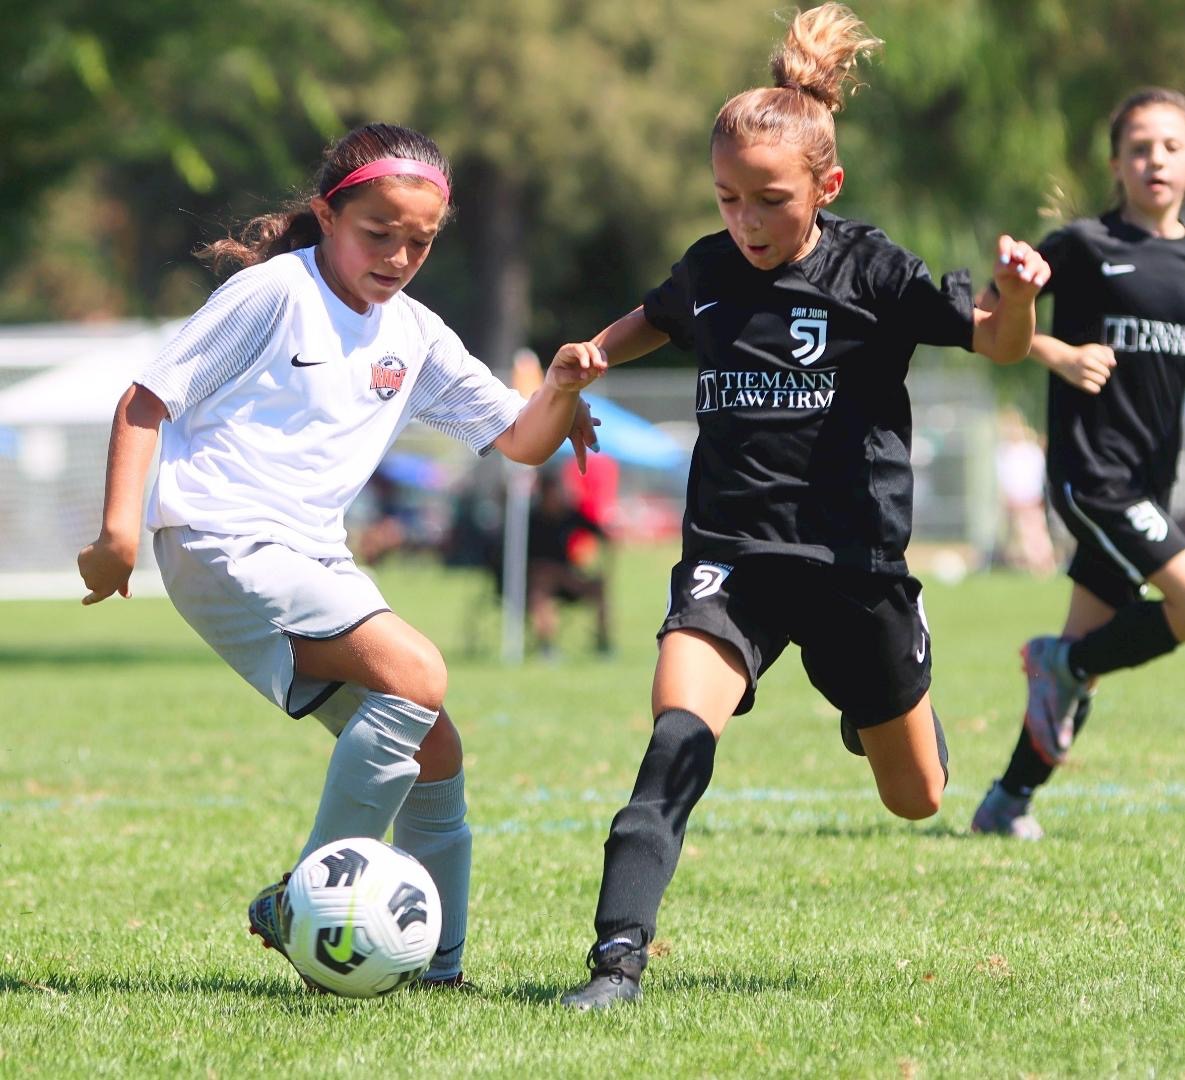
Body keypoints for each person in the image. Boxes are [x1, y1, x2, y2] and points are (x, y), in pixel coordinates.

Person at [556, 3, 1049, 1010]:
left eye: (768, 201)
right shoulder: (709, 269)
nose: (745, 221)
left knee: (917, 797)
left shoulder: (873, 270)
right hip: (733, 558)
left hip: (854, 572)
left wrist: (1020, 296)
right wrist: (594, 357)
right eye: (728, 198)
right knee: (676, 736)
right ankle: (616, 961)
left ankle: (881, 705)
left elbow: (998, 343)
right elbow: (656, 315)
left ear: (827, 187)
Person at [76, 122, 605, 990]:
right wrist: (118, 537)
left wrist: (559, 388)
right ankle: (300, 907)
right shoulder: (275, 293)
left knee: (434, 747)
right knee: (418, 672)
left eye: (419, 243)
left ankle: (439, 974)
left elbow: (520, 440)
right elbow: (146, 399)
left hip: (308, 557)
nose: (398, 257)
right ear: (327, 215)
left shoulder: (414, 333)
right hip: (221, 536)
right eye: (378, 233)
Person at [972, 88, 1185, 840]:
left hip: (1152, 485)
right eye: (1139, 148)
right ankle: (1063, 663)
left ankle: (1007, 802)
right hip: (1093, 476)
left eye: (1171, 146)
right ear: (1116, 164)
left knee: (1080, 659)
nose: (1155, 160)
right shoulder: (1083, 245)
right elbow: (986, 314)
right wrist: (1058, 353)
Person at [526, 469, 612, 656]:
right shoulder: (531, 519)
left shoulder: (569, 515)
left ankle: (603, 642)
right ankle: (546, 644)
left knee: (598, 586)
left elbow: (600, 534)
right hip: (538, 582)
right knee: (543, 581)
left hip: (567, 579)